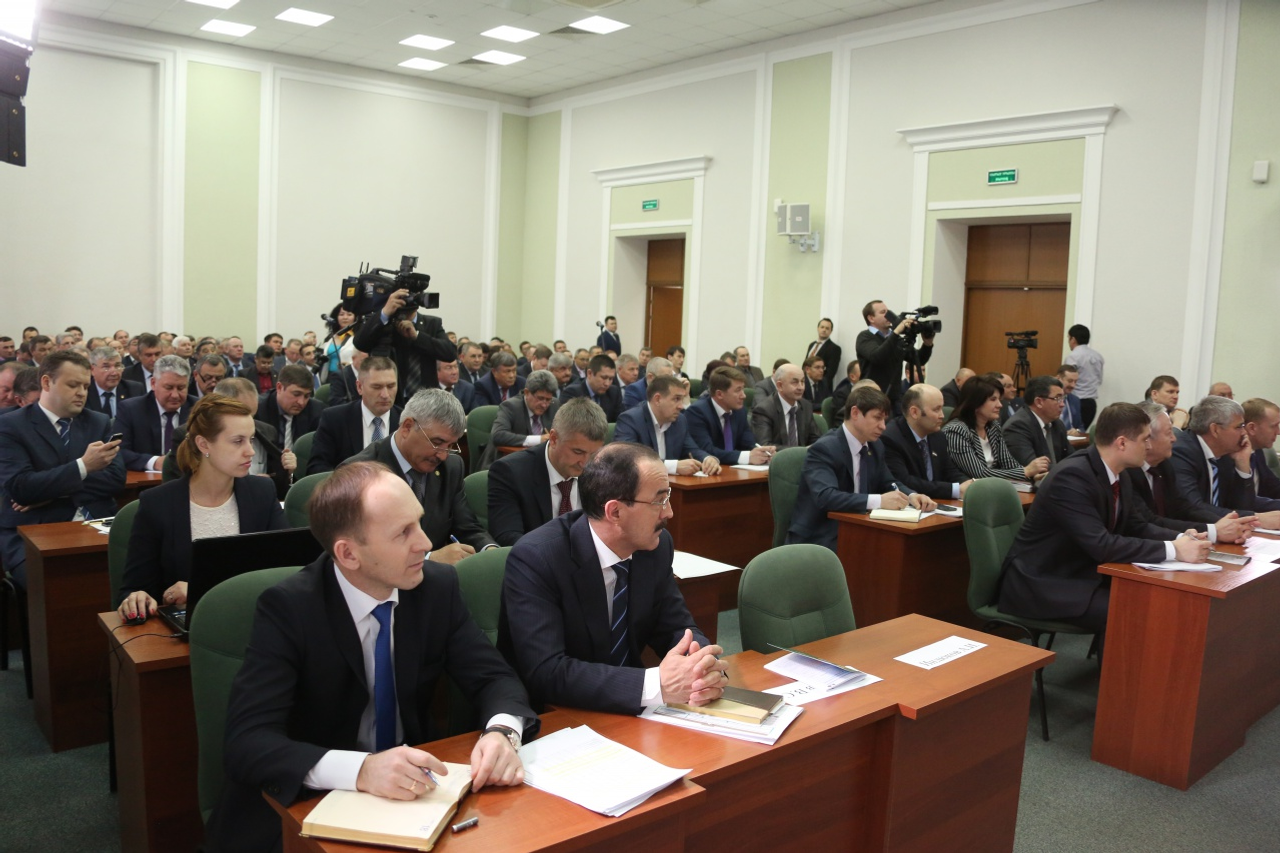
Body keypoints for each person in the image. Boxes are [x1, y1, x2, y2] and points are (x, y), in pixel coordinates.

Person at [204, 461, 536, 853]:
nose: (426, 543)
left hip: (412, 798)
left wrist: (502, 733)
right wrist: (361, 770)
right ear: (348, 554)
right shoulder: (289, 609)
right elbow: (247, 743)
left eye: (419, 522)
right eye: (403, 533)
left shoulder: (435, 589)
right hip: (308, 804)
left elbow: (495, 678)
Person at [499, 442, 727, 713]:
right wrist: (655, 684)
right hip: (556, 714)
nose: (668, 512)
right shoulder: (537, 558)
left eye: (667, 498)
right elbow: (547, 671)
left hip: (630, 710)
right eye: (658, 501)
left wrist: (701, 667)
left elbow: (676, 627)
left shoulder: (655, 546)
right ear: (615, 512)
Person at [998, 403, 1210, 634]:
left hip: (1082, 571)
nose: (1149, 446)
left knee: (1156, 599)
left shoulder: (1119, 472)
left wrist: (1181, 538)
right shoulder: (1071, 477)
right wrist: (1174, 550)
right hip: (1044, 582)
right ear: (1122, 443)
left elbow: (1135, 525)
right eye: (1144, 439)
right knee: (1133, 609)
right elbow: (1102, 545)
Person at [115, 394, 289, 620]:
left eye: (251, 439)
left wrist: (199, 590)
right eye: (238, 441)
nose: (251, 451)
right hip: (188, 627)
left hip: (251, 620)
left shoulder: (261, 492)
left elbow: (285, 571)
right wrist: (138, 598)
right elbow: (135, 588)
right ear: (203, 444)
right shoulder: (157, 504)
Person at [0, 351, 125, 587]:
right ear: (47, 383)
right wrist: (84, 466)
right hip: (35, 531)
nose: (81, 393)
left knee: (136, 572)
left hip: (98, 523)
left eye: (85, 386)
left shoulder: (98, 422)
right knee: (65, 586)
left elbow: (115, 479)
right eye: (73, 385)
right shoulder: (10, 425)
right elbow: (21, 488)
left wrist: (48, 491)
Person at [345, 389, 496, 565]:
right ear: (407, 427)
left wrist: (490, 551)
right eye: (437, 443)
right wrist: (428, 559)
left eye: (450, 446)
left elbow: (467, 528)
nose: (443, 456)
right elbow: (361, 551)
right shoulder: (358, 474)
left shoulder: (451, 467)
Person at [786, 385, 935, 550]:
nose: (883, 426)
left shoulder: (875, 446)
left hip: (859, 527)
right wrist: (879, 501)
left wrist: (911, 495)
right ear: (855, 413)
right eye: (877, 418)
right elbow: (826, 497)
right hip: (821, 535)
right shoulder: (825, 449)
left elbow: (888, 482)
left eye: (884, 420)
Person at [1125, 402, 1252, 544]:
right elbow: (1148, 522)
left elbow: (1184, 508)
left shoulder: (1163, 466)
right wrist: (1213, 531)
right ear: (1147, 438)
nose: (1174, 438)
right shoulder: (1127, 472)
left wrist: (1230, 525)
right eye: (1169, 433)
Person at [487, 398, 608, 546]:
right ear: (554, 439)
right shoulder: (509, 472)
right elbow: (508, 536)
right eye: (578, 452)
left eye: (593, 454)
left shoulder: (602, 470)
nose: (585, 463)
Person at [1170, 395, 1280, 525]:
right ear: (1215, 430)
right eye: (1239, 427)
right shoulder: (1181, 452)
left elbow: (1241, 505)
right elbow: (1193, 508)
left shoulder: (1225, 453)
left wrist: (1242, 465)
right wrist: (1255, 518)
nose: (1244, 433)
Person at [352, 289, 455, 403]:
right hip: (392, 398)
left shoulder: (432, 323)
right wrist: (385, 312)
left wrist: (417, 336)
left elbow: (450, 353)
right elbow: (360, 343)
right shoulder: (384, 323)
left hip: (426, 400)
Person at [941, 376, 1048, 484]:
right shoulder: (956, 431)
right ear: (975, 402)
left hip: (993, 486)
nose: (1000, 405)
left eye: (999, 399)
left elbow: (1008, 463)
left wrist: (1032, 475)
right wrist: (1025, 471)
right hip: (968, 490)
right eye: (993, 399)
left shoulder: (993, 427)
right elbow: (979, 473)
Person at [306, 357, 402, 475]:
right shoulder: (334, 419)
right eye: (377, 387)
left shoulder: (406, 422)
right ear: (359, 387)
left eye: (391, 386)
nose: (385, 395)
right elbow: (317, 468)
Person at [881, 384, 972, 501]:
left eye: (942, 408)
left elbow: (950, 471)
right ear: (914, 412)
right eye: (936, 409)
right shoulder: (891, 438)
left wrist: (970, 485)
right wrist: (955, 490)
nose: (942, 415)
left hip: (935, 503)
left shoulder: (938, 435)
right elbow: (904, 481)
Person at [615, 375, 721, 475]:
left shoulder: (680, 421)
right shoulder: (630, 420)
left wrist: (707, 459)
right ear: (657, 399)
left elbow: (691, 450)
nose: (681, 406)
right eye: (676, 399)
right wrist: (674, 466)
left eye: (682, 399)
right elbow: (628, 460)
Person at [116, 354, 197, 472]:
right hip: (145, 480)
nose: (175, 395)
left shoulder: (197, 408)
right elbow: (118, 451)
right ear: (153, 383)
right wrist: (154, 462)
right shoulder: (130, 409)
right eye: (169, 387)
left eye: (181, 388)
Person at [685, 366, 774, 465]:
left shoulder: (739, 411)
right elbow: (707, 451)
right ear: (719, 394)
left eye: (743, 389)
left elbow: (748, 444)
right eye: (738, 390)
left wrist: (763, 453)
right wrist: (747, 457)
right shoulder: (697, 412)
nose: (743, 395)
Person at [855, 300, 933, 411]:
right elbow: (877, 356)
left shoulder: (894, 338)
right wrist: (896, 332)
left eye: (888, 311)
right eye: (883, 312)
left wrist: (927, 344)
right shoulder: (865, 337)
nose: (888, 315)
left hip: (894, 399)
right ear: (871, 318)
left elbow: (919, 360)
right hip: (872, 399)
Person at [477, 370, 560, 471]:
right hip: (506, 464)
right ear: (527, 392)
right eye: (540, 398)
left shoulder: (554, 405)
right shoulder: (510, 406)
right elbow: (498, 435)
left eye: (548, 399)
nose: (544, 404)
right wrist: (539, 439)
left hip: (540, 464)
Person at [1003, 375, 1074, 468]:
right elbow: (1033, 468)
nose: (1062, 404)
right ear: (1039, 402)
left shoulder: (1057, 424)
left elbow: (1071, 457)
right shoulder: (1017, 427)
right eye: (1057, 398)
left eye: (1063, 398)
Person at [750, 363, 820, 448]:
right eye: (795, 382)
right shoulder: (764, 410)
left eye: (802, 381)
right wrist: (799, 451)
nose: (801, 387)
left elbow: (816, 439)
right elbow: (765, 446)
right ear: (780, 386)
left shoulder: (806, 406)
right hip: (777, 457)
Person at [257, 364, 326, 449]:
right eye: (296, 394)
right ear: (279, 388)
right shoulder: (258, 409)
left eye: (307, 396)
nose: (301, 402)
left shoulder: (317, 411)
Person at [83, 346, 144, 418]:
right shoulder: (84, 391)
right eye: (106, 367)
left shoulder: (134, 390)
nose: (114, 373)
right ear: (92, 370)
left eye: (117, 366)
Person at [559, 353, 622, 421]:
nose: (607, 383)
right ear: (589, 373)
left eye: (611, 379)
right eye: (604, 377)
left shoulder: (614, 392)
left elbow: (620, 421)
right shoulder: (572, 393)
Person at [1064, 323, 1103, 428]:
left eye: (1068, 338)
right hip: (1091, 403)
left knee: (1071, 433)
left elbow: (1067, 379)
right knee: (1080, 433)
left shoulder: (1073, 357)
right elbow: (1099, 380)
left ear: (1073, 339)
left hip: (1075, 402)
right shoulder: (1098, 356)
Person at [1242, 397, 1280, 505]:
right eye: (1274, 426)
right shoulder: (1230, 457)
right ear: (1252, 428)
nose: (1278, 432)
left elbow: (1274, 487)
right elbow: (1245, 501)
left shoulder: (1258, 452)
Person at [804, 318, 841, 399]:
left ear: (831, 331)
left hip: (820, 389)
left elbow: (831, 372)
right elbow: (805, 364)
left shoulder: (834, 348)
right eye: (822, 327)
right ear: (818, 328)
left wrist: (821, 386)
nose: (824, 330)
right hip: (806, 385)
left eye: (827, 328)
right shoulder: (812, 345)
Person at [828, 359, 863, 427]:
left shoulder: (867, 391)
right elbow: (840, 419)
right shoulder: (841, 394)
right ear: (852, 377)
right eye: (863, 372)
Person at [1056, 364, 1084, 435]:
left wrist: (1077, 431)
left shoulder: (1075, 400)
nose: (1073, 385)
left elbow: (1081, 427)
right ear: (1058, 378)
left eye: (1075, 382)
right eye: (1070, 381)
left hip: (1071, 439)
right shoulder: (1048, 399)